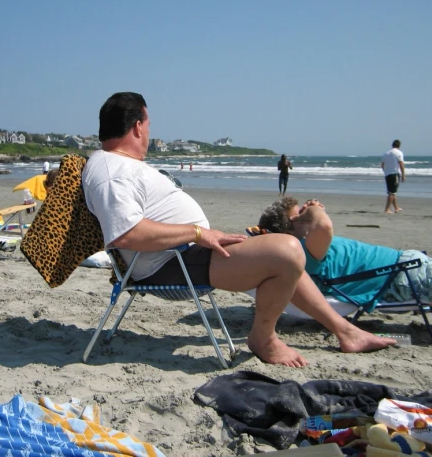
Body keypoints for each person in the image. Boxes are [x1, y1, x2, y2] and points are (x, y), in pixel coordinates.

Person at [82, 92, 393, 368]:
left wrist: (200, 235)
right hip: (171, 265)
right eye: (149, 126)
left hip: (185, 254)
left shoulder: (117, 165)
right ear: (138, 126)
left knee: (278, 251)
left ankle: (345, 331)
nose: (149, 134)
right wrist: (199, 233)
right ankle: (263, 339)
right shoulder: (112, 172)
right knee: (287, 251)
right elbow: (126, 234)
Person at [258, 197, 432, 337]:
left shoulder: (308, 248)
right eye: (299, 213)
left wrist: (306, 215)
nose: (307, 211)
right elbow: (325, 225)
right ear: (291, 229)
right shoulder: (306, 252)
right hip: (406, 277)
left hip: (409, 266)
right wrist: (316, 210)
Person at [381, 140, 405, 213]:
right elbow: (401, 164)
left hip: (387, 174)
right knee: (392, 193)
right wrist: (403, 175)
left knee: (391, 192)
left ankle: (396, 207)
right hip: (394, 174)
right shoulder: (399, 153)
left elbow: (382, 165)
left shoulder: (386, 153)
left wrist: (386, 171)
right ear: (399, 146)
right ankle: (387, 209)